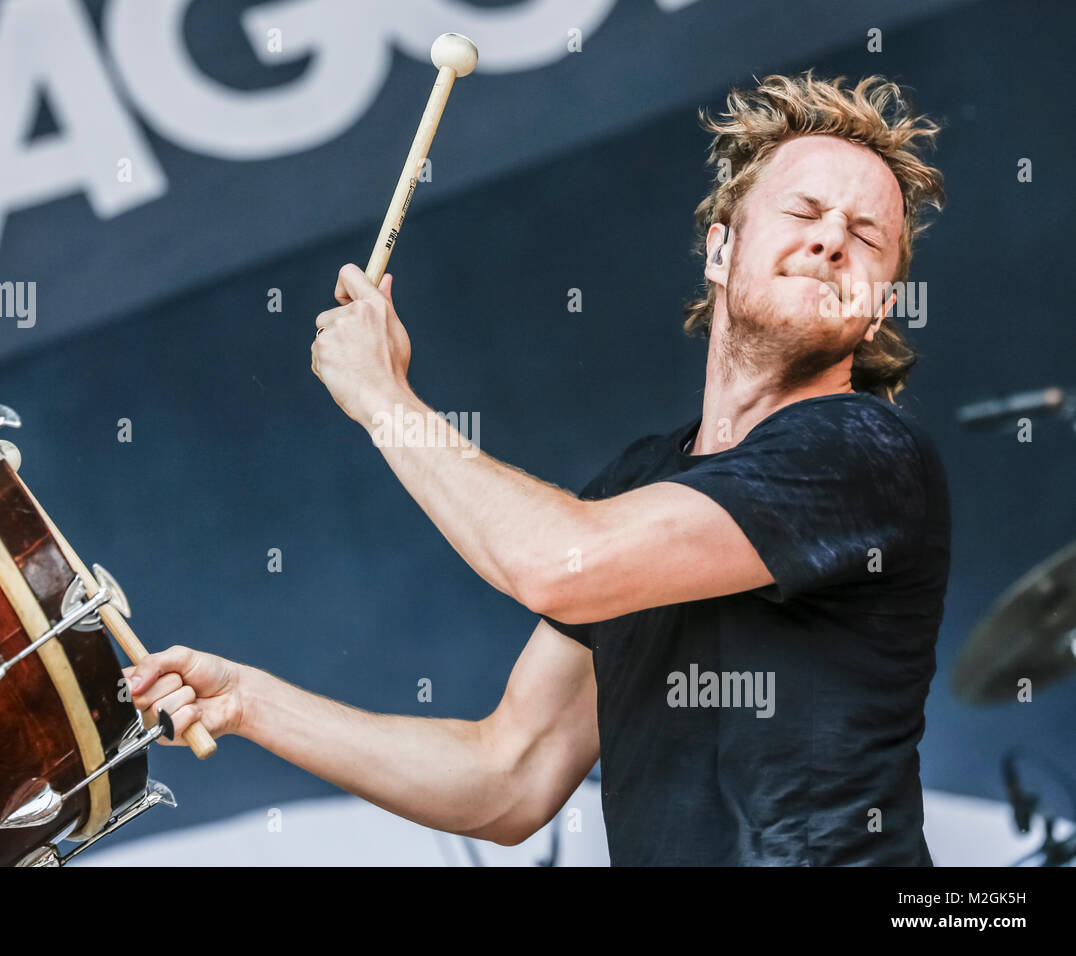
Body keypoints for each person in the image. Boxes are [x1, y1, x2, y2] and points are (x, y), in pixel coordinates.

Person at [126, 71, 950, 865]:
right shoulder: (642, 479)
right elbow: (506, 779)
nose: (832, 238)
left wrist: (385, 397)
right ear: (720, 249)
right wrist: (250, 702)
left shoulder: (864, 452)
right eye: (804, 209)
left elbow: (562, 564)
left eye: (866, 235)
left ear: (880, 306)